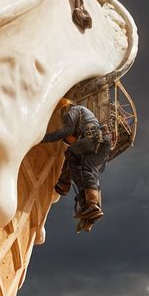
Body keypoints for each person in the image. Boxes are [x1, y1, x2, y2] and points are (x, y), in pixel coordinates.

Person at [41, 98, 110, 230]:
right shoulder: (86, 120)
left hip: (95, 137)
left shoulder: (73, 110)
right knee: (86, 169)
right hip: (104, 145)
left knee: (71, 153)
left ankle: (64, 182)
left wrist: (41, 138)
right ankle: (91, 208)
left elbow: (66, 131)